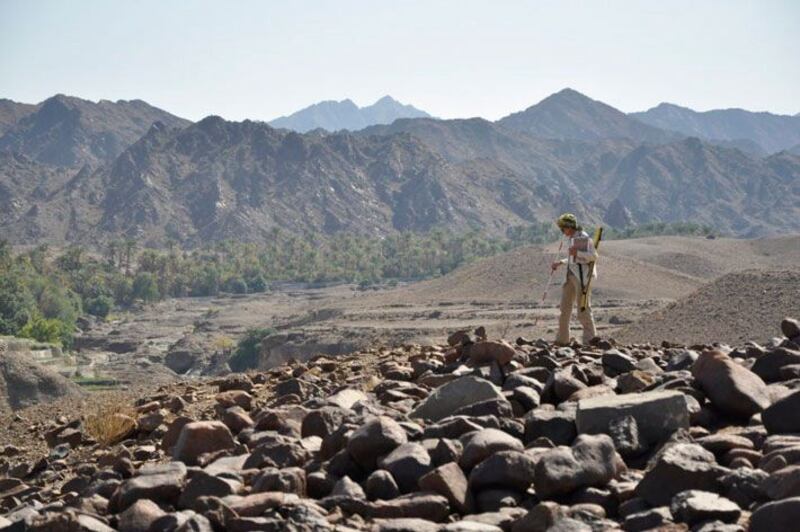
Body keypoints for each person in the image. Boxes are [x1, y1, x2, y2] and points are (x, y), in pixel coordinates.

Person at [550, 213, 597, 346]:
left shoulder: (583, 237)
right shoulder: (571, 238)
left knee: (583, 309)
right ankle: (562, 340)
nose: (562, 231)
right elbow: (574, 259)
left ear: (569, 227)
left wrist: (577, 253)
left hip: (583, 277)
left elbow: (593, 256)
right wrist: (561, 262)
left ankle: (590, 341)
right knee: (564, 308)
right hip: (570, 276)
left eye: (563, 228)